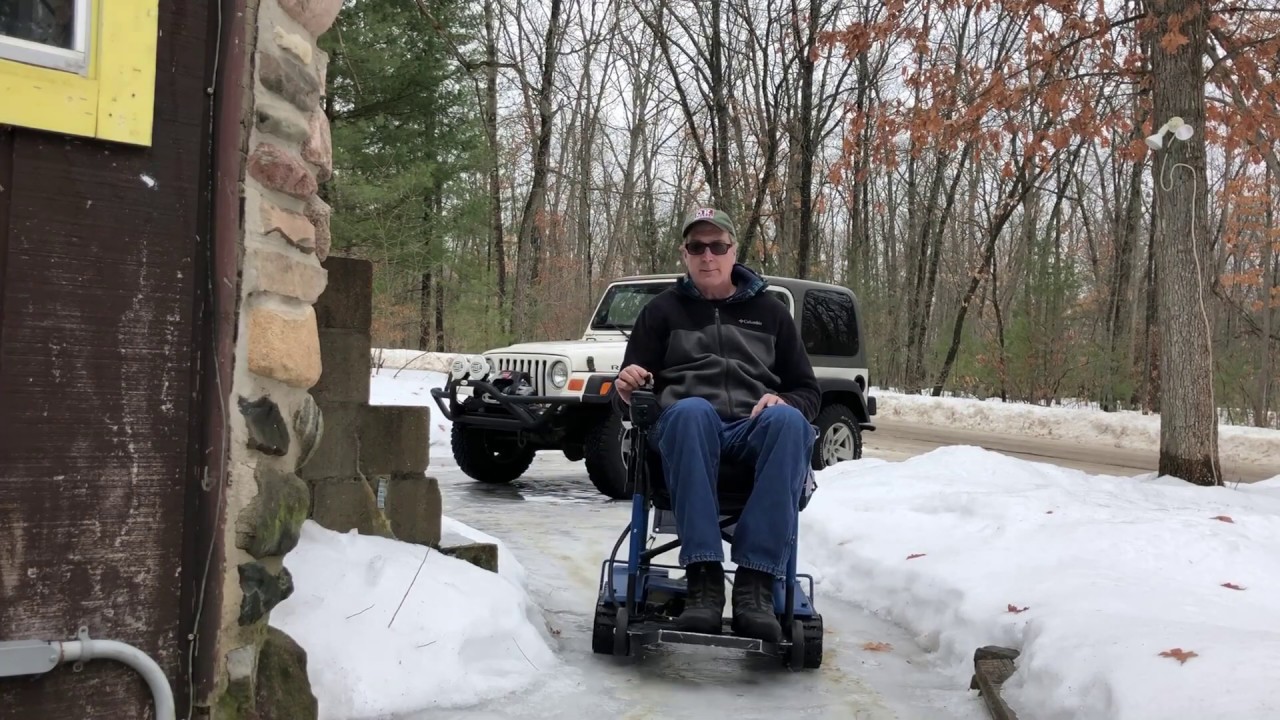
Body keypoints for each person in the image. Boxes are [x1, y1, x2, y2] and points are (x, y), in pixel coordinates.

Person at [614, 207, 820, 643]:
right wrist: (628, 389)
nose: (707, 256)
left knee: (789, 421)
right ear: (685, 254)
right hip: (685, 430)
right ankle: (704, 580)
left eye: (717, 246)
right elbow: (630, 394)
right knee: (692, 411)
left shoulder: (772, 313)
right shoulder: (661, 312)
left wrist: (785, 400)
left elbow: (808, 392)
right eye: (697, 247)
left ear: (733, 251)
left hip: (752, 428)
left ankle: (754, 586)